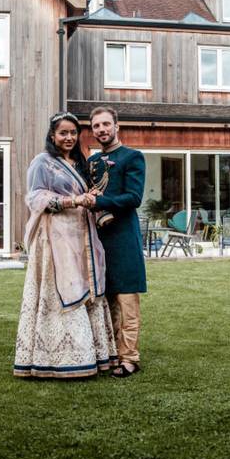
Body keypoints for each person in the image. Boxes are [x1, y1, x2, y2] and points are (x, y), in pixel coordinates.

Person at [13, 112, 118, 378]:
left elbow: (89, 194)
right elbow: (34, 197)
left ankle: (91, 354)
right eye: (63, 133)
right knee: (61, 287)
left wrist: (93, 200)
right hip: (55, 237)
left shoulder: (82, 163)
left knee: (86, 286)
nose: (69, 137)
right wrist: (72, 201)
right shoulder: (42, 162)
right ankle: (56, 359)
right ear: (52, 135)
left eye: (73, 132)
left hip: (82, 235)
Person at [88, 106, 147, 378]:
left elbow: (134, 198)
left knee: (126, 301)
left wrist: (100, 201)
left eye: (105, 124)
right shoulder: (93, 162)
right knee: (106, 300)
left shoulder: (133, 157)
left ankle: (130, 358)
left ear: (116, 126)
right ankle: (111, 354)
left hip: (124, 238)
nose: (101, 130)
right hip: (100, 239)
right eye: (96, 126)